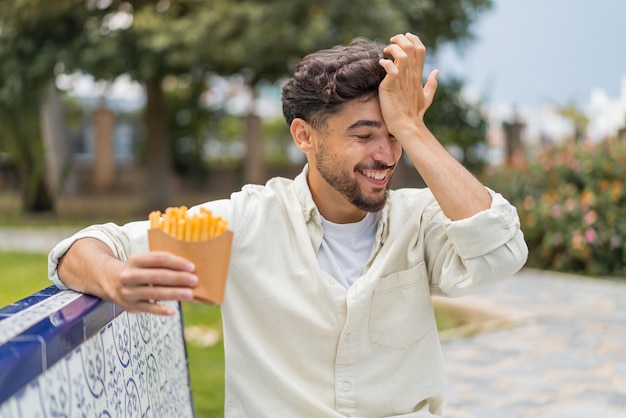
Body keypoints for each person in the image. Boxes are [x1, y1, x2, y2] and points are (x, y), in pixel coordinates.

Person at [49, 33, 528, 417]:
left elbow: (500, 255)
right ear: (305, 135)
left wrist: (414, 128)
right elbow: (81, 247)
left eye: (394, 135)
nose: (385, 155)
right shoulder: (248, 221)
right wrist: (115, 278)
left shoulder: (419, 219)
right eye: (364, 136)